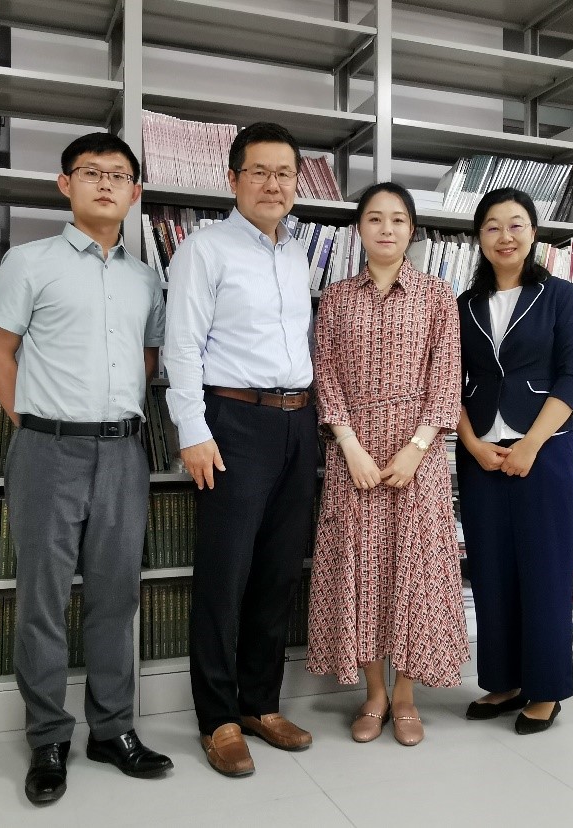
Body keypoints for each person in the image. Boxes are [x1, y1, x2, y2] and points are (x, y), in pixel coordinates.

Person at [0, 132, 174, 805]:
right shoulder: (28, 262)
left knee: (116, 596)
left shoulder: (144, 278)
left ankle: (112, 730)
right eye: (91, 172)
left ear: (135, 192)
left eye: (118, 175)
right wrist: (33, 424)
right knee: (42, 598)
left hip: (123, 451)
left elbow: (148, 359)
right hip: (47, 449)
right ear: (65, 184)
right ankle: (47, 739)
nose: (105, 183)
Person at [163, 122, 319, 777]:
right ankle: (217, 718)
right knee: (224, 576)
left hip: (297, 422)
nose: (273, 184)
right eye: (259, 171)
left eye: (284, 173)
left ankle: (260, 704)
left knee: (278, 572)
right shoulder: (204, 249)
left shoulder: (296, 253)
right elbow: (181, 345)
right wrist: (193, 432)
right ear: (233, 179)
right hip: (232, 423)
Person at [306, 182, 469, 746]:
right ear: (359, 228)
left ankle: (406, 696)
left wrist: (416, 448)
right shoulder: (336, 298)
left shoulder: (437, 296)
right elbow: (325, 375)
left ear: (412, 230)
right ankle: (373, 693)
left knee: (414, 571)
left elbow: (446, 379)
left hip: (417, 455)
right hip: (353, 453)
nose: (386, 229)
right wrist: (349, 445)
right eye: (374, 218)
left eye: (398, 219)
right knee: (362, 571)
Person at [455, 186, 573, 735]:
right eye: (492, 226)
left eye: (516, 225)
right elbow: (447, 382)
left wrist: (531, 444)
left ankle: (546, 689)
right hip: (481, 454)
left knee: (545, 570)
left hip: (544, 450)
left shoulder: (560, 296)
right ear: (479, 238)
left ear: (533, 233)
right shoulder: (463, 304)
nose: (504, 236)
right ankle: (504, 681)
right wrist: (472, 445)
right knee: (491, 570)